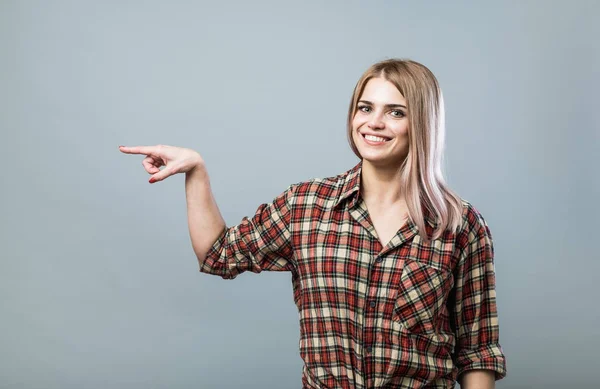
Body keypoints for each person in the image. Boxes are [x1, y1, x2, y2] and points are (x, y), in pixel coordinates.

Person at [119, 59, 507, 389]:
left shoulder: (460, 225)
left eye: (396, 112)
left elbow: (477, 352)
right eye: (365, 108)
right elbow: (217, 255)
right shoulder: (307, 206)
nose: (374, 123)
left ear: (422, 122)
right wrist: (196, 171)